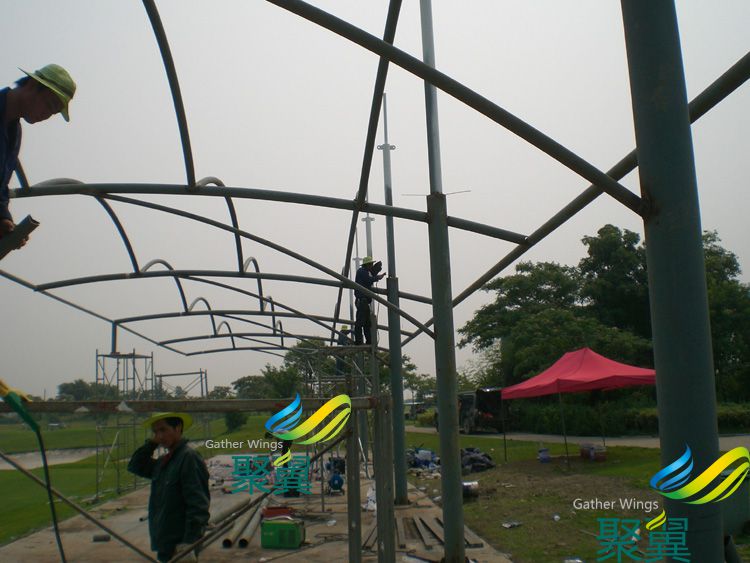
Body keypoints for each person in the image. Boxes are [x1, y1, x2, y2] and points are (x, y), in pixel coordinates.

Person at [1, 64, 76, 248]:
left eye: (54, 112)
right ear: (33, 85)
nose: (47, 115)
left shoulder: (14, 133)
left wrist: (4, 220)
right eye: (49, 105)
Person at [128, 412, 210, 562]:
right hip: (164, 542)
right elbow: (136, 465)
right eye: (155, 432)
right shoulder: (163, 462)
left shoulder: (188, 458)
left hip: (179, 544)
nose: (159, 436)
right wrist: (152, 443)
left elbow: (198, 505)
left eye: (163, 430)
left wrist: (189, 543)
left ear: (178, 428)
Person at [354, 256, 385, 345]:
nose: (372, 266)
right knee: (360, 322)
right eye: (371, 264)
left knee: (367, 323)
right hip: (362, 300)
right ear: (367, 265)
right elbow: (368, 280)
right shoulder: (362, 271)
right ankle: (359, 341)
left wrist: (375, 276)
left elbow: (368, 280)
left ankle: (369, 341)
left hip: (364, 301)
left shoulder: (365, 272)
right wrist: (377, 277)